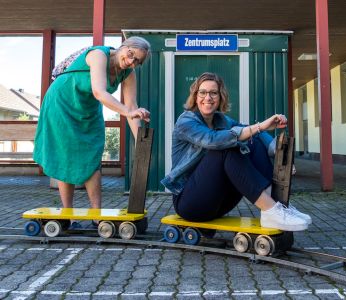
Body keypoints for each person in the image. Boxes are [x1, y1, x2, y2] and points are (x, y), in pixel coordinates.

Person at [161, 72, 311, 231]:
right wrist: (260, 126)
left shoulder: (221, 120)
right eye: (202, 92)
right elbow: (213, 140)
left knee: (250, 139)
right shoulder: (186, 120)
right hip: (190, 203)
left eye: (213, 93)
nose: (208, 97)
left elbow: (250, 131)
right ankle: (271, 211)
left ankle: (279, 205)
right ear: (195, 95)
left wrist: (275, 151)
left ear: (220, 97)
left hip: (219, 202)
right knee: (227, 148)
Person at [33, 36, 151, 228]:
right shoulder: (98, 55)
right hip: (62, 102)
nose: (131, 62)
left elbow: (132, 107)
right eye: (130, 55)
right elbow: (99, 92)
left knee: (93, 154)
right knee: (66, 155)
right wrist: (129, 111)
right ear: (123, 47)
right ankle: (68, 214)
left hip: (88, 108)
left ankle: (97, 216)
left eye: (137, 61)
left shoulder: (128, 73)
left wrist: (141, 143)